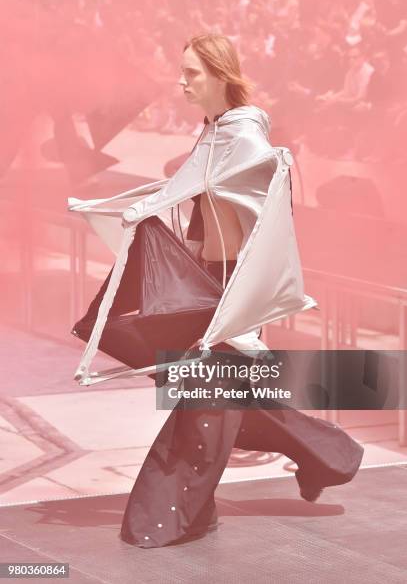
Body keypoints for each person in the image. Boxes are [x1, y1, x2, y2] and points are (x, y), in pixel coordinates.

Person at [116, 34, 364, 548]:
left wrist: (244, 306)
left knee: (204, 403)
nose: (181, 82)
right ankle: (330, 457)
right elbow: (201, 212)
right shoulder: (212, 132)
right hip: (208, 284)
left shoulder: (245, 138)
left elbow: (268, 225)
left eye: (192, 73)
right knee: (229, 399)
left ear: (221, 75)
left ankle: (171, 516)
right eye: (181, 71)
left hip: (234, 288)